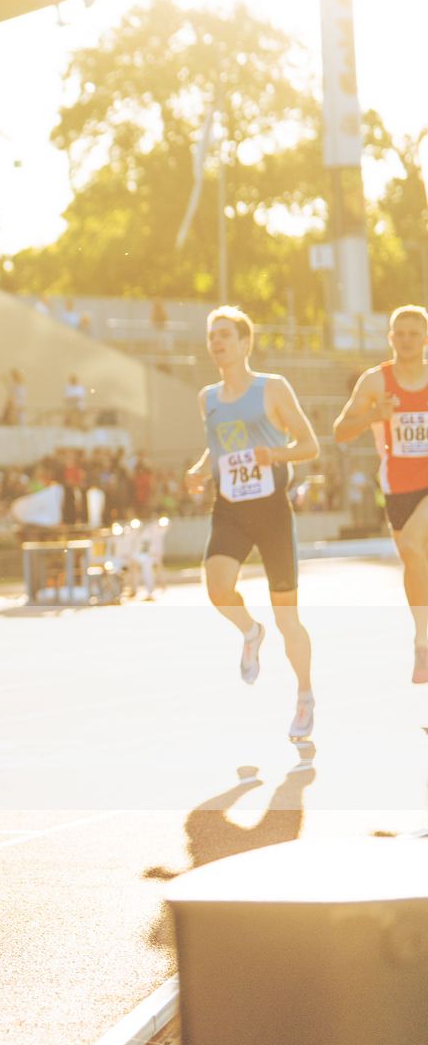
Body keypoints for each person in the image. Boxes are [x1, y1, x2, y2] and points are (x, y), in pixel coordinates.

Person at [185, 307, 322, 739]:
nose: (217, 343)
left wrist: (274, 455)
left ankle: (304, 695)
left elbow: (310, 446)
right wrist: (199, 470)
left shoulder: (273, 389)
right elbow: (217, 449)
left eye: (225, 335)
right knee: (217, 587)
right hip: (230, 507)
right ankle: (249, 629)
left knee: (288, 618)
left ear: (246, 343)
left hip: (271, 510)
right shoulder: (207, 398)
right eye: (212, 336)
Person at [331, 304, 428, 683]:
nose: (405, 340)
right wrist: (376, 415)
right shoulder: (376, 382)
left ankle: (423, 641)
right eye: (398, 334)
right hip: (398, 486)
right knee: (411, 555)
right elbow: (340, 431)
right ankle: (423, 633)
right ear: (390, 338)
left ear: (425, 338)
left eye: (413, 334)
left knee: (416, 546)